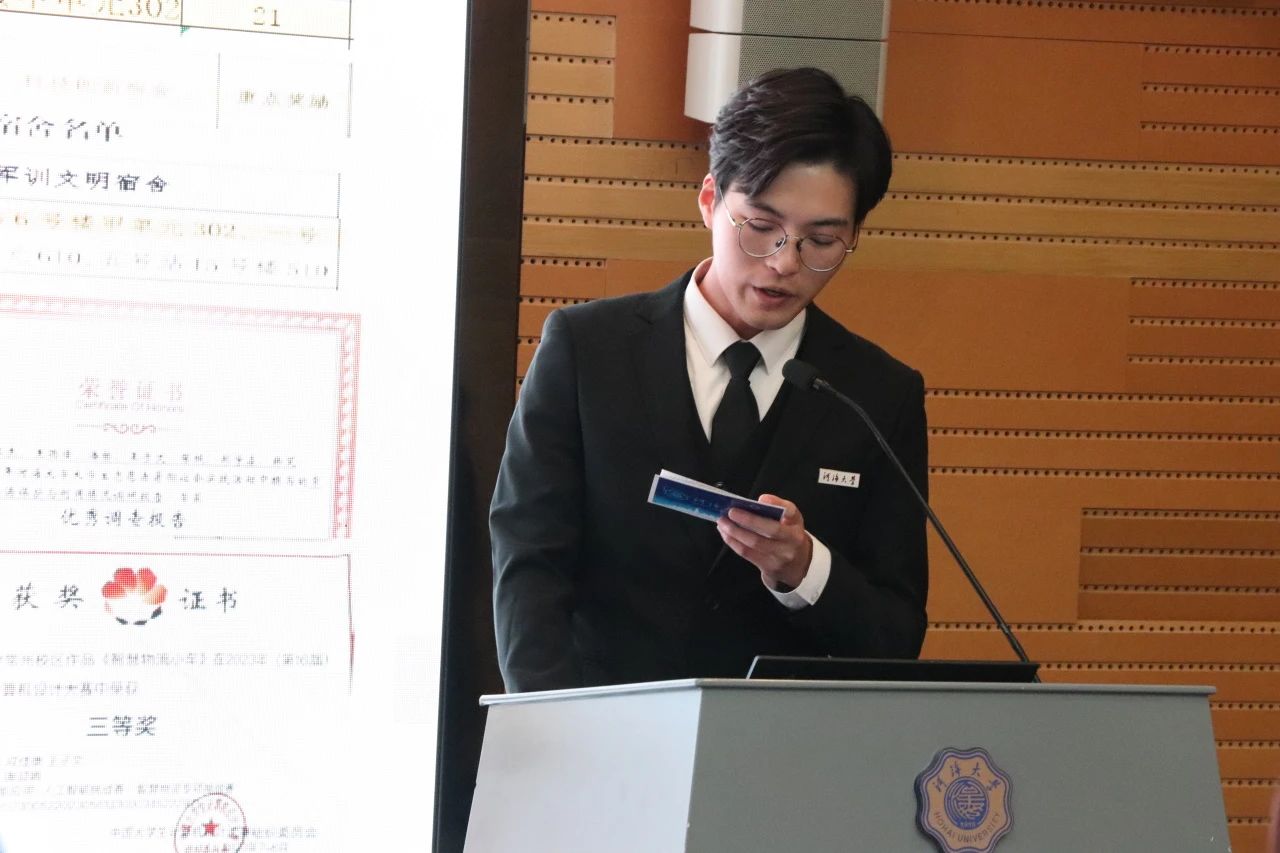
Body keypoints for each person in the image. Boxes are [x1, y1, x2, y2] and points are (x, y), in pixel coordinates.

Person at [490, 67, 928, 693]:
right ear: (709, 201)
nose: (784, 263)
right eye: (761, 227)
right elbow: (529, 562)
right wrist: (553, 723)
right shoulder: (587, 349)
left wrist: (805, 568)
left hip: (778, 740)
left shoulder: (877, 394)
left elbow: (896, 634)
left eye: (821, 240)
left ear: (854, 235)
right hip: (605, 726)